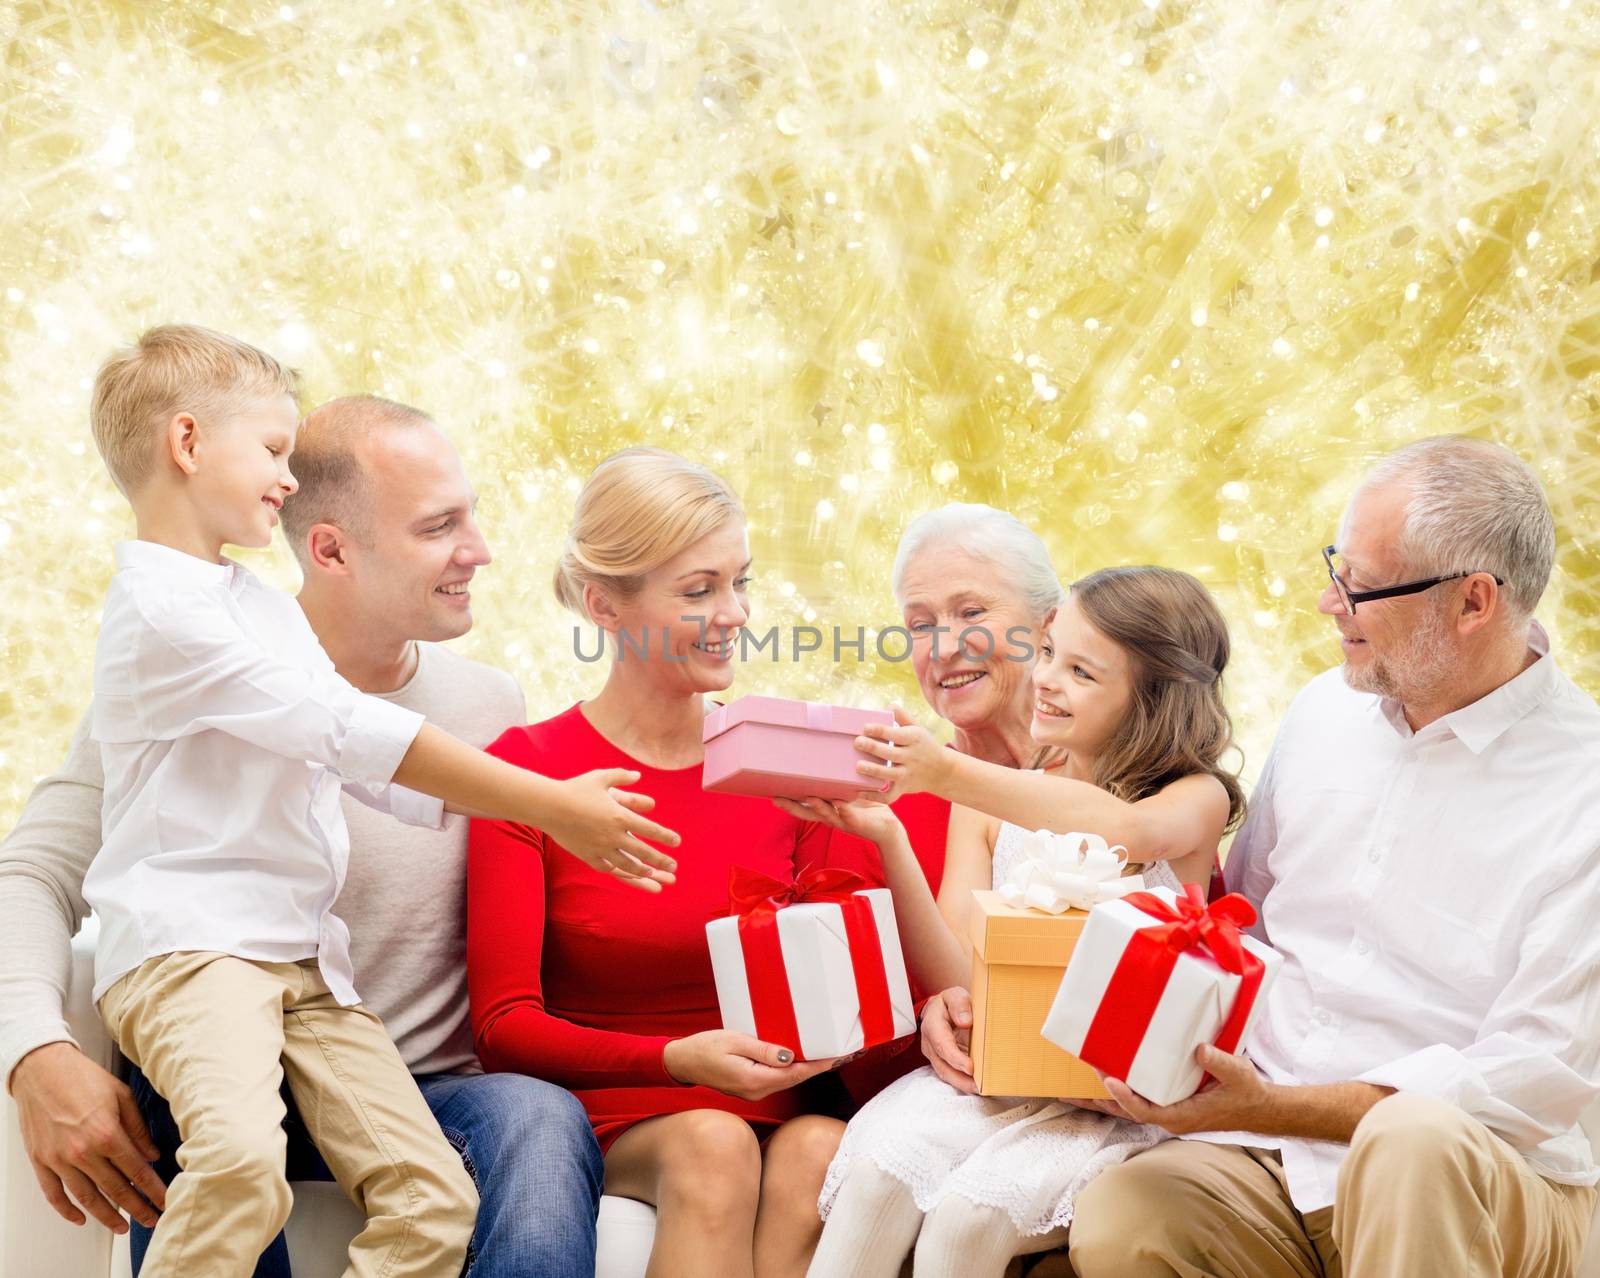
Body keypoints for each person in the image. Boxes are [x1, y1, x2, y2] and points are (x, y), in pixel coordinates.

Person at [75, 326, 680, 1277]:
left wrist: (513, 819)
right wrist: (550, 801)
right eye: (273, 451)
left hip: (304, 968)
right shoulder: (163, 618)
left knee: (431, 1198)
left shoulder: (254, 607)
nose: (282, 478)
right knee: (237, 1163)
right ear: (188, 446)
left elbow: (348, 769)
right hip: (198, 956)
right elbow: (341, 729)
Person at [1059, 435, 1600, 1276]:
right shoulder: (1323, 712)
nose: (1327, 602)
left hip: (1483, 1175)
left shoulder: (1585, 786)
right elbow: (1242, 921)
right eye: (1333, 567)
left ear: (1473, 602)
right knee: (1128, 1213)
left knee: (1411, 1137)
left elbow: (1532, 1080)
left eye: (1359, 583)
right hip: (1275, 1153)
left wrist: (1281, 1107)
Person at [467, 447, 854, 1278]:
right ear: (607, 605)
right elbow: (502, 1028)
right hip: (621, 1106)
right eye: (699, 590)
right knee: (713, 1144)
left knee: (823, 1150)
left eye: (740, 581)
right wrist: (674, 1062)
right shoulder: (529, 771)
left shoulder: (785, 764)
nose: (737, 612)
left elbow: (840, 970)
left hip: (780, 1101)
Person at [796, 567, 1243, 1277]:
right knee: (877, 1179)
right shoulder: (988, 796)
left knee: (968, 1222)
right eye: (1047, 653)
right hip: (999, 1085)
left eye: (1081, 671)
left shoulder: (1191, 800)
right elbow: (959, 973)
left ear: (1152, 698)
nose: (1046, 679)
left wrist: (943, 770)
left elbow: (1129, 832)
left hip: (1107, 1104)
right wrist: (891, 838)